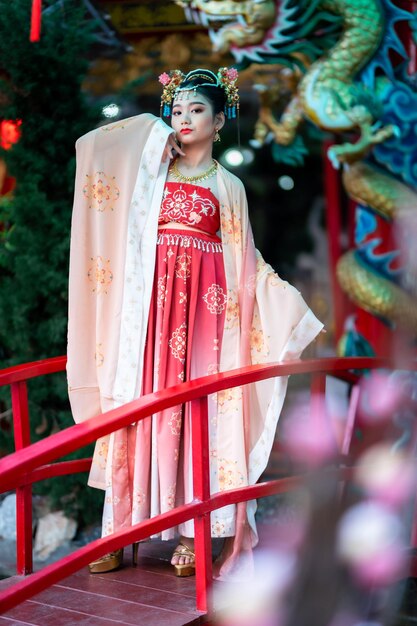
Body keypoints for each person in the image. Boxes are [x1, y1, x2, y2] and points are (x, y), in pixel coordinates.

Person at [67, 68, 323, 579]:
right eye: (176, 110)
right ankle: (119, 529)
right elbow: (94, 145)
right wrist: (150, 138)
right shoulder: (151, 173)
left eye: (197, 110)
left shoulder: (228, 186)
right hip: (149, 313)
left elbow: (245, 260)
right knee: (137, 407)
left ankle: (193, 531)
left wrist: (287, 305)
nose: (184, 119)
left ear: (220, 119)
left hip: (206, 313)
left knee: (195, 412)